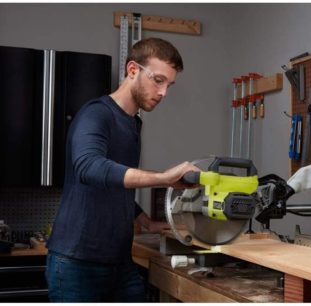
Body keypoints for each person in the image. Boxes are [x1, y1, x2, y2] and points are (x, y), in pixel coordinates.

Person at [45, 37, 200, 302]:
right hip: (77, 264)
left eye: (169, 85)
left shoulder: (133, 125)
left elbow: (115, 186)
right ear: (132, 70)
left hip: (119, 261)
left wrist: (145, 221)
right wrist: (162, 178)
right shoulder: (96, 114)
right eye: (158, 80)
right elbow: (89, 167)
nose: (163, 92)